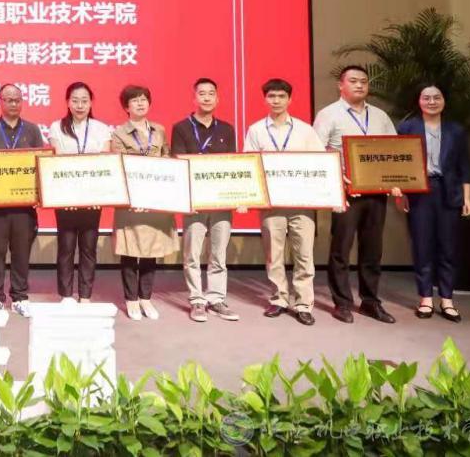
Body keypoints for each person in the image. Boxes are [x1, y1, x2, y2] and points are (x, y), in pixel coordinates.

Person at [314, 65, 399, 324]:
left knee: (373, 249)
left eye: (363, 81)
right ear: (341, 85)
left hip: (377, 191)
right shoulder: (328, 114)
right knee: (341, 248)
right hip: (345, 192)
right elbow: (316, 151)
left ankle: (370, 302)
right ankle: (342, 303)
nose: (360, 85)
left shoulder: (380, 116)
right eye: (353, 81)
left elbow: (395, 149)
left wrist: (396, 180)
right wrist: (337, 176)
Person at [243, 78, 325, 326]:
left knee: (304, 255)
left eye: (281, 96)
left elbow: (321, 162)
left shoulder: (305, 130)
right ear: (265, 99)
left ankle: (303, 303)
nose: (276, 101)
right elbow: (249, 165)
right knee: (274, 254)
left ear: (290, 99)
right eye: (271, 96)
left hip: (301, 202)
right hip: (272, 203)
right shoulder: (256, 130)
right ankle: (279, 299)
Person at [396, 83, 470, 323]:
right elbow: (397, 162)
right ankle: (426, 298)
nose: (431, 102)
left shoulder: (456, 130)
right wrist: (400, 193)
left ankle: (447, 299)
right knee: (422, 245)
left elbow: (465, 166)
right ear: (419, 101)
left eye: (436, 97)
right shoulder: (407, 127)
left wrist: (467, 197)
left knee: (449, 248)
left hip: (449, 192)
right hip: (419, 191)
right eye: (426, 97)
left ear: (444, 101)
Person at [170, 78, 239, 323]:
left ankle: (216, 298)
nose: (207, 97)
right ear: (194, 98)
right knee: (192, 253)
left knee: (219, 253)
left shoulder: (227, 129)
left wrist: (239, 195)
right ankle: (197, 300)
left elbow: (234, 165)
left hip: (221, 201)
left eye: (211, 93)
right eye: (202, 93)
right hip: (195, 201)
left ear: (217, 99)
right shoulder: (181, 128)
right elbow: (177, 163)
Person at [111, 84, 176, 321]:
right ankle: (131, 300)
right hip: (131, 200)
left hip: (155, 199)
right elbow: (119, 166)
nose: (140, 103)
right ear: (126, 107)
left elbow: (167, 160)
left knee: (151, 250)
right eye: (134, 100)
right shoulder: (118, 133)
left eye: (143, 99)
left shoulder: (159, 130)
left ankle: (146, 298)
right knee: (130, 249)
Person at [0, 83, 43, 317]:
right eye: (8, 99)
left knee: (21, 253)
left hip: (23, 207)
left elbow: (40, 165)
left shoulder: (32, 130)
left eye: (17, 99)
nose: (13, 104)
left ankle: (20, 296)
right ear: (0, 101)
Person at [46, 81, 112, 302]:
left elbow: (104, 162)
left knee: (88, 248)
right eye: (75, 100)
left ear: (91, 102)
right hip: (66, 197)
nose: (80, 105)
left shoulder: (101, 129)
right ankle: (65, 295)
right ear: (67, 102)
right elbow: (56, 160)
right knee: (65, 247)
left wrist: (98, 194)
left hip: (92, 197)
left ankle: (85, 295)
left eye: (84, 100)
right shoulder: (57, 127)